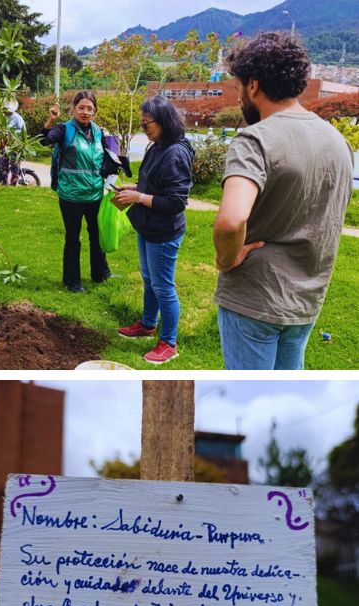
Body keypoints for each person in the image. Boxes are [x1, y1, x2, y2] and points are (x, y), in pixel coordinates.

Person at [212, 32, 353, 370]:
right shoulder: (338, 142)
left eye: (238, 87)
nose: (238, 97)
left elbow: (231, 220)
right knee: (284, 390)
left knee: (249, 398)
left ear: (253, 85)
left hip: (254, 297)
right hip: (307, 300)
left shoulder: (254, 140)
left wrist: (227, 259)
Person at [111, 96, 194, 365]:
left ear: (163, 121)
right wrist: (134, 188)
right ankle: (148, 324)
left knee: (163, 286)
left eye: (146, 123)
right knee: (149, 279)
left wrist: (138, 197)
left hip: (164, 232)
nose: (144, 128)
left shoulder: (175, 153)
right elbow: (155, 185)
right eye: (142, 123)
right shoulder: (157, 146)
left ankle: (169, 343)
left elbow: (176, 202)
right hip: (147, 226)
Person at [40, 91, 118, 292]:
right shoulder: (64, 129)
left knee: (97, 235)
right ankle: (72, 281)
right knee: (73, 238)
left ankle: (100, 273)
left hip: (95, 195)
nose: (85, 112)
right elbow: (44, 140)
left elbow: (105, 157)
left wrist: (113, 174)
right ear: (73, 109)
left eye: (90, 109)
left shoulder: (98, 131)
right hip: (71, 196)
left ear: (95, 111)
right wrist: (51, 120)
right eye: (81, 107)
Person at [1, 101, 26, 185]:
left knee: (14, 164)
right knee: (3, 164)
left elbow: (22, 131)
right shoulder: (3, 117)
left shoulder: (17, 118)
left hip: (14, 146)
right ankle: (4, 182)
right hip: (4, 144)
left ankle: (13, 183)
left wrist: (12, 133)